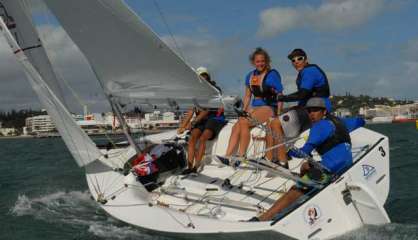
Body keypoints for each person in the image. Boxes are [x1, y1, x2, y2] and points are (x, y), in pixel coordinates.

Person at [250, 97, 365, 222]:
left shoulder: (319, 127)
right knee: (305, 166)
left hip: (330, 170)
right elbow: (360, 121)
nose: (312, 114)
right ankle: (310, 193)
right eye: (309, 111)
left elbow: (304, 152)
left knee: (295, 190)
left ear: (324, 111)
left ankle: (263, 218)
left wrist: (290, 151)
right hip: (347, 166)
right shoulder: (341, 122)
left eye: (315, 111)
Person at [268, 49, 332, 166]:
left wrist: (282, 98)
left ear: (306, 59)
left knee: (275, 123)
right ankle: (276, 155)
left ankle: (282, 161)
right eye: (293, 60)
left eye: (299, 58)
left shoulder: (309, 71)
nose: (296, 62)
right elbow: (305, 97)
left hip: (316, 110)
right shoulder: (305, 72)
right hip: (310, 108)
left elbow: (302, 94)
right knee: (280, 117)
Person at [221, 47, 284, 161]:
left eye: (263, 61)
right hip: (256, 106)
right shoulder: (250, 76)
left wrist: (278, 114)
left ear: (267, 61)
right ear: (253, 62)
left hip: (269, 107)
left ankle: (241, 156)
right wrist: (244, 110)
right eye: (258, 61)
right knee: (237, 125)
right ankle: (227, 156)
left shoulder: (272, 75)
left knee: (244, 122)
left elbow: (280, 95)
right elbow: (247, 96)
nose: (260, 64)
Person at [178, 67, 226, 174]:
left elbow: (207, 109)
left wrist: (193, 122)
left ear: (208, 77)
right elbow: (191, 110)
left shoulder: (214, 89)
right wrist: (182, 126)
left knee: (203, 138)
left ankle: (196, 166)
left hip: (213, 118)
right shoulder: (196, 92)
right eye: (200, 77)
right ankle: (189, 167)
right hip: (203, 119)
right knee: (192, 138)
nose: (203, 79)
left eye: (204, 76)